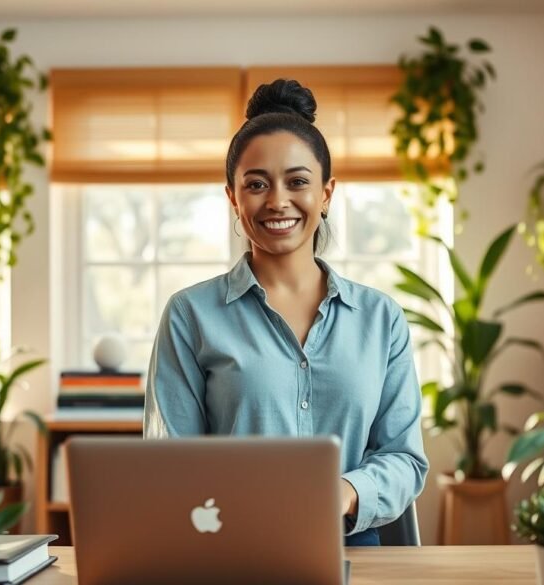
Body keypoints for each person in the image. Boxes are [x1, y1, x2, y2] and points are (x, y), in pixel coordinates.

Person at [143, 79, 429, 547]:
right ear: (233, 197)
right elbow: (171, 463)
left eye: (297, 181)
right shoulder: (190, 315)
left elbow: (404, 458)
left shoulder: (381, 319)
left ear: (327, 193)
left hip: (354, 549)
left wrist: (342, 491)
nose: (277, 201)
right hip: (228, 549)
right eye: (256, 184)